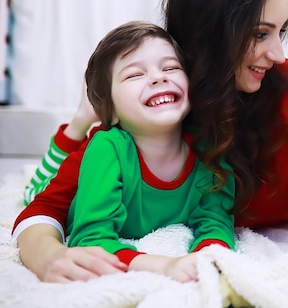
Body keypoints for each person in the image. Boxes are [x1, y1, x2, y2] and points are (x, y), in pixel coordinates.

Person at [13, 0, 288, 283]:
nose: (278, 54)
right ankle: (76, 124)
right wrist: (50, 257)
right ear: (212, 31)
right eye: (260, 34)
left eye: (281, 31)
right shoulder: (167, 100)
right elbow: (45, 206)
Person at [36, 21, 235, 282]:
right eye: (134, 75)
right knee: (33, 189)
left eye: (171, 67)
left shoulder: (209, 150)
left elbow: (217, 221)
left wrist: (208, 257)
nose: (158, 77)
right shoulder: (107, 148)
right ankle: (80, 121)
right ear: (112, 110)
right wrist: (164, 266)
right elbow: (90, 239)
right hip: (55, 185)